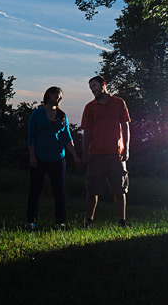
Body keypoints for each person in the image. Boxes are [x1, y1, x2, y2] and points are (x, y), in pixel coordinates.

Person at [27, 86, 80, 229]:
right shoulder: (37, 114)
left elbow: (67, 137)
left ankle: (60, 221)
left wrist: (75, 155)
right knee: (35, 189)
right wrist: (32, 156)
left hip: (58, 157)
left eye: (61, 95)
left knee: (59, 190)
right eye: (57, 94)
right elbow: (31, 136)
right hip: (39, 156)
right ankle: (31, 220)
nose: (59, 97)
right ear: (49, 95)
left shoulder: (62, 115)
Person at [81, 75, 131, 228]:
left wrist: (127, 148)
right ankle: (89, 221)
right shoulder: (90, 107)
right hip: (96, 154)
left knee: (120, 189)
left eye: (94, 86)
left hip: (116, 154)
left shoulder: (119, 103)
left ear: (103, 85)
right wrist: (85, 153)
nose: (92, 90)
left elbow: (126, 127)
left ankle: (122, 221)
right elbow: (87, 132)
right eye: (91, 88)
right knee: (92, 190)